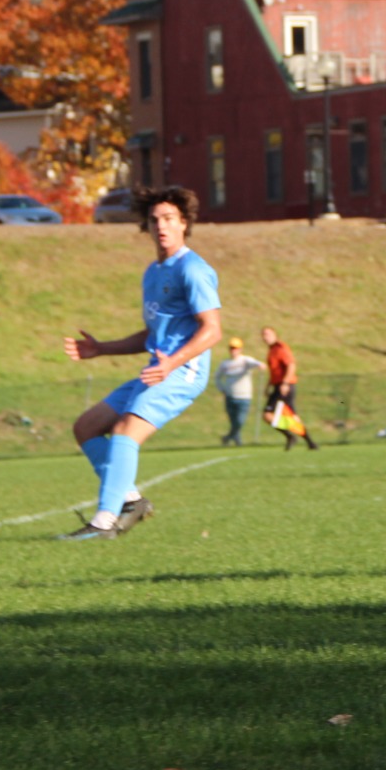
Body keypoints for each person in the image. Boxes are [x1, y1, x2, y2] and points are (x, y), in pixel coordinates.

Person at [60, 185, 221, 539]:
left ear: (184, 224)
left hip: (182, 371)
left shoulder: (192, 270)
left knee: (124, 432)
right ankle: (131, 501)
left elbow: (212, 331)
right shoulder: (153, 272)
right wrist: (102, 348)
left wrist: (171, 363)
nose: (160, 226)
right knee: (86, 427)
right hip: (156, 370)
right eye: (154, 220)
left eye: (168, 219)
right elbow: (152, 336)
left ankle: (104, 522)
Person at [260, 325, 319, 452]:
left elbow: (291, 365)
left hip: (284, 387)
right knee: (270, 416)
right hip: (277, 386)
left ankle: (306, 440)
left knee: (283, 415)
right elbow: (275, 371)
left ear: (275, 335)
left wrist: (285, 383)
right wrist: (268, 386)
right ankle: (297, 438)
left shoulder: (280, 348)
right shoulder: (271, 350)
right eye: (263, 335)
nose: (265, 337)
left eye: (268, 334)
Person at [215, 335, 263, 447]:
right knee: (233, 422)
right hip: (230, 396)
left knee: (239, 422)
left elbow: (253, 362)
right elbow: (217, 377)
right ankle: (237, 442)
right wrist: (222, 389)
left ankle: (227, 438)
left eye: (236, 348)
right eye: (232, 348)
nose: (233, 350)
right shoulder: (225, 364)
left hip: (244, 397)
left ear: (240, 349)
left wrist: (259, 364)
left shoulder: (245, 361)